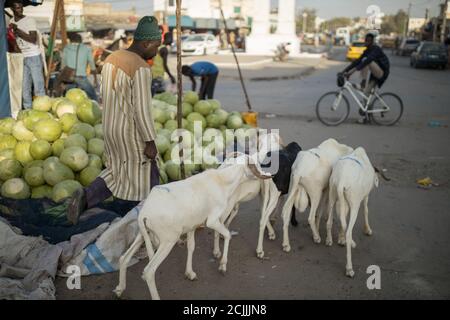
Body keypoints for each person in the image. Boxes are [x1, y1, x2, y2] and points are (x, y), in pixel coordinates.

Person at [67, 16, 162, 225]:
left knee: (117, 172)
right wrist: (150, 141)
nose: (156, 51)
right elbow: (141, 109)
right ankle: (143, 222)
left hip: (110, 129)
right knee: (146, 175)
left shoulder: (112, 59)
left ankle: (85, 197)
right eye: (156, 46)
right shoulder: (141, 68)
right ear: (146, 43)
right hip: (131, 132)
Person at [342, 33, 390, 123]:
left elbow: (367, 60)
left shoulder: (376, 49)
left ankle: (363, 82)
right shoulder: (367, 50)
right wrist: (344, 71)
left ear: (372, 41)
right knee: (365, 94)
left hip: (381, 73)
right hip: (374, 76)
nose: (366, 42)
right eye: (366, 40)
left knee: (367, 60)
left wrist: (352, 72)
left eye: (368, 40)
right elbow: (357, 61)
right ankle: (365, 118)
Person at [9, 0, 45, 109]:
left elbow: (33, 39)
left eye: (21, 7)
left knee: (38, 87)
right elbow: (13, 40)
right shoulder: (11, 21)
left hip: (33, 56)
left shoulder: (29, 20)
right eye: (17, 8)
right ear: (12, 9)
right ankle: (28, 111)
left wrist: (17, 30)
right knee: (24, 88)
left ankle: (42, 110)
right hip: (22, 58)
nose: (20, 10)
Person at [61, 33, 98, 100]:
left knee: (70, 97)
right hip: (81, 77)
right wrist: (95, 76)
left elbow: (63, 64)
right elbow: (91, 62)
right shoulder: (86, 49)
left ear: (70, 40)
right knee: (92, 95)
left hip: (69, 77)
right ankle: (97, 106)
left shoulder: (66, 48)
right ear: (81, 41)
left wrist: (62, 76)